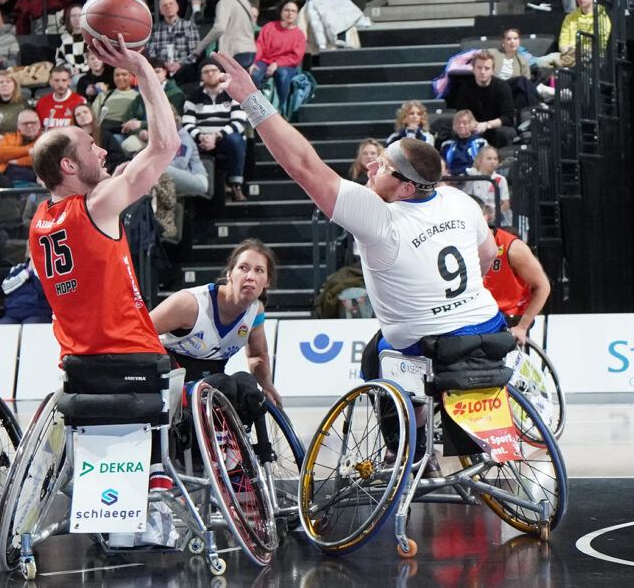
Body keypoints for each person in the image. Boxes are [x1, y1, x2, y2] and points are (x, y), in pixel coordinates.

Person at [211, 51, 505, 463]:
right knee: (395, 349)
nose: (370, 166)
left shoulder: (379, 216)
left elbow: (303, 165)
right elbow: (489, 256)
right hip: (489, 325)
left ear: (404, 188)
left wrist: (251, 98)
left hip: (425, 342)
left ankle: (407, 453)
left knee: (376, 356)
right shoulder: (460, 199)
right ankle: (468, 443)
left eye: (382, 165)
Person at [27, 37, 179, 509]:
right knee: (193, 373)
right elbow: (166, 145)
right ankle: (157, 471)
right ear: (70, 165)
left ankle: (106, 482)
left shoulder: (37, 224)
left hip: (77, 366)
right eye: (92, 148)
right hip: (131, 357)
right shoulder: (98, 204)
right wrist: (143, 70)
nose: (103, 154)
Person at [151, 239, 282, 406]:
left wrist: (267, 386)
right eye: (243, 268)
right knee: (222, 385)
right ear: (229, 274)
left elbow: (257, 355)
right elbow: (138, 333)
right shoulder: (189, 304)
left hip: (212, 380)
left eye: (259, 270)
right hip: (172, 377)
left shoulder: (255, 311)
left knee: (247, 387)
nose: (250, 276)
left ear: (267, 281)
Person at [182, 58, 247, 201]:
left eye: (213, 71)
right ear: (201, 75)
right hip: (202, 139)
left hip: (226, 138)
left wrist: (217, 136)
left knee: (235, 140)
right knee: (185, 140)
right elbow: (187, 124)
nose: (210, 74)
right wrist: (201, 137)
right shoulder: (194, 96)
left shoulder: (232, 92)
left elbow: (238, 121)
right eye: (206, 72)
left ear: (221, 73)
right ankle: (199, 190)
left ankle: (236, 185)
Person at [484, 223, 550, 345]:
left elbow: (543, 286)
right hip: (478, 317)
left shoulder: (512, 247)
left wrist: (522, 327)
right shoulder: (461, 244)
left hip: (509, 318)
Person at [444, 50, 516, 148]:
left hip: (494, 126)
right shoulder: (465, 88)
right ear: (473, 69)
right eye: (479, 68)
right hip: (472, 126)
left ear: (492, 70)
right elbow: (461, 112)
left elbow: (508, 117)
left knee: (506, 133)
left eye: (487, 68)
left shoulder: (502, 87)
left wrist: (487, 125)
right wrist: (473, 125)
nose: (483, 72)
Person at [117, 58, 184, 157]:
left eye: (157, 71)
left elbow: (174, 123)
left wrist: (141, 124)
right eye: (151, 72)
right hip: (140, 135)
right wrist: (139, 131)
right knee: (120, 142)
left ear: (165, 72)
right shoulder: (142, 94)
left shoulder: (176, 94)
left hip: (164, 136)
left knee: (129, 146)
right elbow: (127, 119)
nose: (154, 75)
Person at [249, 0, 305, 116]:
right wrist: (253, 62)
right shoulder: (269, 27)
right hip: (264, 61)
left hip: (286, 65)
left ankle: (280, 110)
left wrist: (277, 64)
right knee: (254, 74)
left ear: (297, 14)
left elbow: (296, 57)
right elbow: (259, 47)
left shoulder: (299, 34)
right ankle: (257, 109)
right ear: (281, 12)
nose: (290, 13)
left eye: (293, 11)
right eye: (287, 10)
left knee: (282, 74)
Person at [195, 0, 257, 70]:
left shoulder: (224, 2)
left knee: (210, 70)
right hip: (250, 50)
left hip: (236, 52)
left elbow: (219, 28)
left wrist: (200, 47)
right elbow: (253, 23)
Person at [146, 0, 201, 86]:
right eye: (164, 5)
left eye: (171, 4)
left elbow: (194, 52)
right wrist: (164, 64)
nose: (168, 7)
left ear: (177, 7)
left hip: (184, 68)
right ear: (160, 11)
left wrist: (179, 64)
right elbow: (151, 53)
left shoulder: (189, 26)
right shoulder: (155, 29)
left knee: (189, 70)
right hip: (162, 69)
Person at [489, 28, 540, 110]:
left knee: (522, 96)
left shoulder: (522, 60)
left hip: (511, 91)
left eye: (515, 38)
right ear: (503, 41)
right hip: (496, 86)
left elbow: (527, 84)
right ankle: (537, 108)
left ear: (519, 41)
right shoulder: (493, 53)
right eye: (508, 39)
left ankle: (526, 118)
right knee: (521, 80)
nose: (512, 42)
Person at [463, 145, 511, 226]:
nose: (493, 162)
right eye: (489, 158)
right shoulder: (472, 178)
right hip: (477, 217)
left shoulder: (500, 179)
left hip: (496, 219)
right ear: (479, 161)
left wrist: (495, 214)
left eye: (495, 159)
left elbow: (506, 204)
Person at [0, 255, 53, 324]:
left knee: (30, 327)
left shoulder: (49, 269)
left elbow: (47, 290)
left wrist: (36, 270)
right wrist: (27, 272)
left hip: (38, 313)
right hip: (13, 313)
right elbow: (6, 288)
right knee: (1, 327)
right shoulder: (18, 268)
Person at [0, 109, 44, 181]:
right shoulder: (9, 137)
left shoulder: (45, 139)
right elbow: (1, 153)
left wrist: (16, 161)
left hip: (33, 179)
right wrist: (29, 150)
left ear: (39, 124)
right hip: (4, 176)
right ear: (18, 125)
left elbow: (41, 160)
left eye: (33, 123)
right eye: (25, 123)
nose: (29, 126)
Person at [439, 110, 488, 176]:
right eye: (458, 123)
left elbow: (484, 165)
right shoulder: (447, 145)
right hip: (451, 178)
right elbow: (442, 164)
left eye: (465, 123)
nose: (461, 126)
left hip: (473, 178)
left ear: (471, 124)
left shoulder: (481, 143)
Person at [36, 66, 86, 130]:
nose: (60, 84)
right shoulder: (41, 102)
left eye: (64, 80)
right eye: (56, 80)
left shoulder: (80, 101)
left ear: (69, 82)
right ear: (51, 82)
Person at [166, 128, 209, 198]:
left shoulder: (183, 138)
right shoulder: (166, 139)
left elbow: (180, 164)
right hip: (184, 177)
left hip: (197, 179)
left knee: (158, 169)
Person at [55, 5, 89, 81]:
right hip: (70, 75)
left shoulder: (90, 38)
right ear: (69, 19)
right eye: (73, 16)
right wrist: (68, 70)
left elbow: (97, 61)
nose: (77, 18)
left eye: (79, 15)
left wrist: (80, 70)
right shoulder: (63, 39)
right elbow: (59, 61)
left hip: (88, 74)